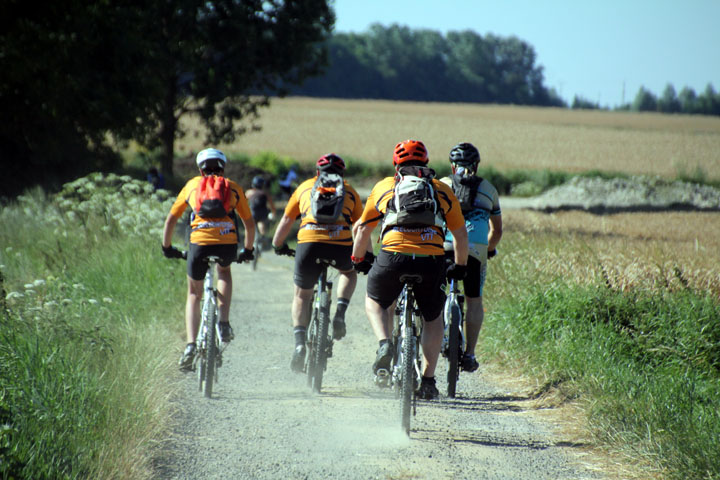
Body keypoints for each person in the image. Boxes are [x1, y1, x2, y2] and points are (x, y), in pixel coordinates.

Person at [351, 139, 469, 400]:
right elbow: (460, 234)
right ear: (426, 164)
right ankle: (428, 381)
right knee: (432, 318)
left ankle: (385, 345)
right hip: (431, 259)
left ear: (396, 165)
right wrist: (459, 267)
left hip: (393, 256)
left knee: (374, 301)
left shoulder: (384, 186)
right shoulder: (441, 190)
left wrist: (359, 259)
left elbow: (362, 228)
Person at [161, 148, 256, 370]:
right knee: (224, 271)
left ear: (200, 169)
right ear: (223, 168)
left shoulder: (192, 186)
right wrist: (248, 250)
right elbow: (249, 224)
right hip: (226, 242)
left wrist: (167, 247)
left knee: (194, 292)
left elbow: (171, 219)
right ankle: (223, 322)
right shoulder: (233, 187)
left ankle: (191, 345)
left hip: (199, 243)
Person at [271, 154, 365, 373]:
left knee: (302, 295)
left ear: (317, 173)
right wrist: (363, 255)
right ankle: (340, 313)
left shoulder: (305, 187)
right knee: (348, 273)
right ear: (342, 174)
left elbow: (286, 220)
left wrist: (278, 245)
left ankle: (300, 344)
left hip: (309, 244)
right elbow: (360, 226)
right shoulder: (350, 191)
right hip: (340, 245)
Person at [441, 142, 502, 373]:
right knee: (474, 299)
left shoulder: (442, 185)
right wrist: (489, 249)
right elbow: (497, 231)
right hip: (476, 246)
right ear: (476, 165)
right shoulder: (489, 188)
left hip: (445, 243)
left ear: (451, 164)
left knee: (434, 294)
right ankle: (470, 354)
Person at [245, 175, 277, 249]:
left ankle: (247, 246)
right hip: (263, 214)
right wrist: (274, 213)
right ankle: (262, 236)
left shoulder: (249, 192)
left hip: (252, 214)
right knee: (261, 223)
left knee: (249, 229)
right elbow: (272, 205)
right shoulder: (265, 193)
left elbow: (243, 203)